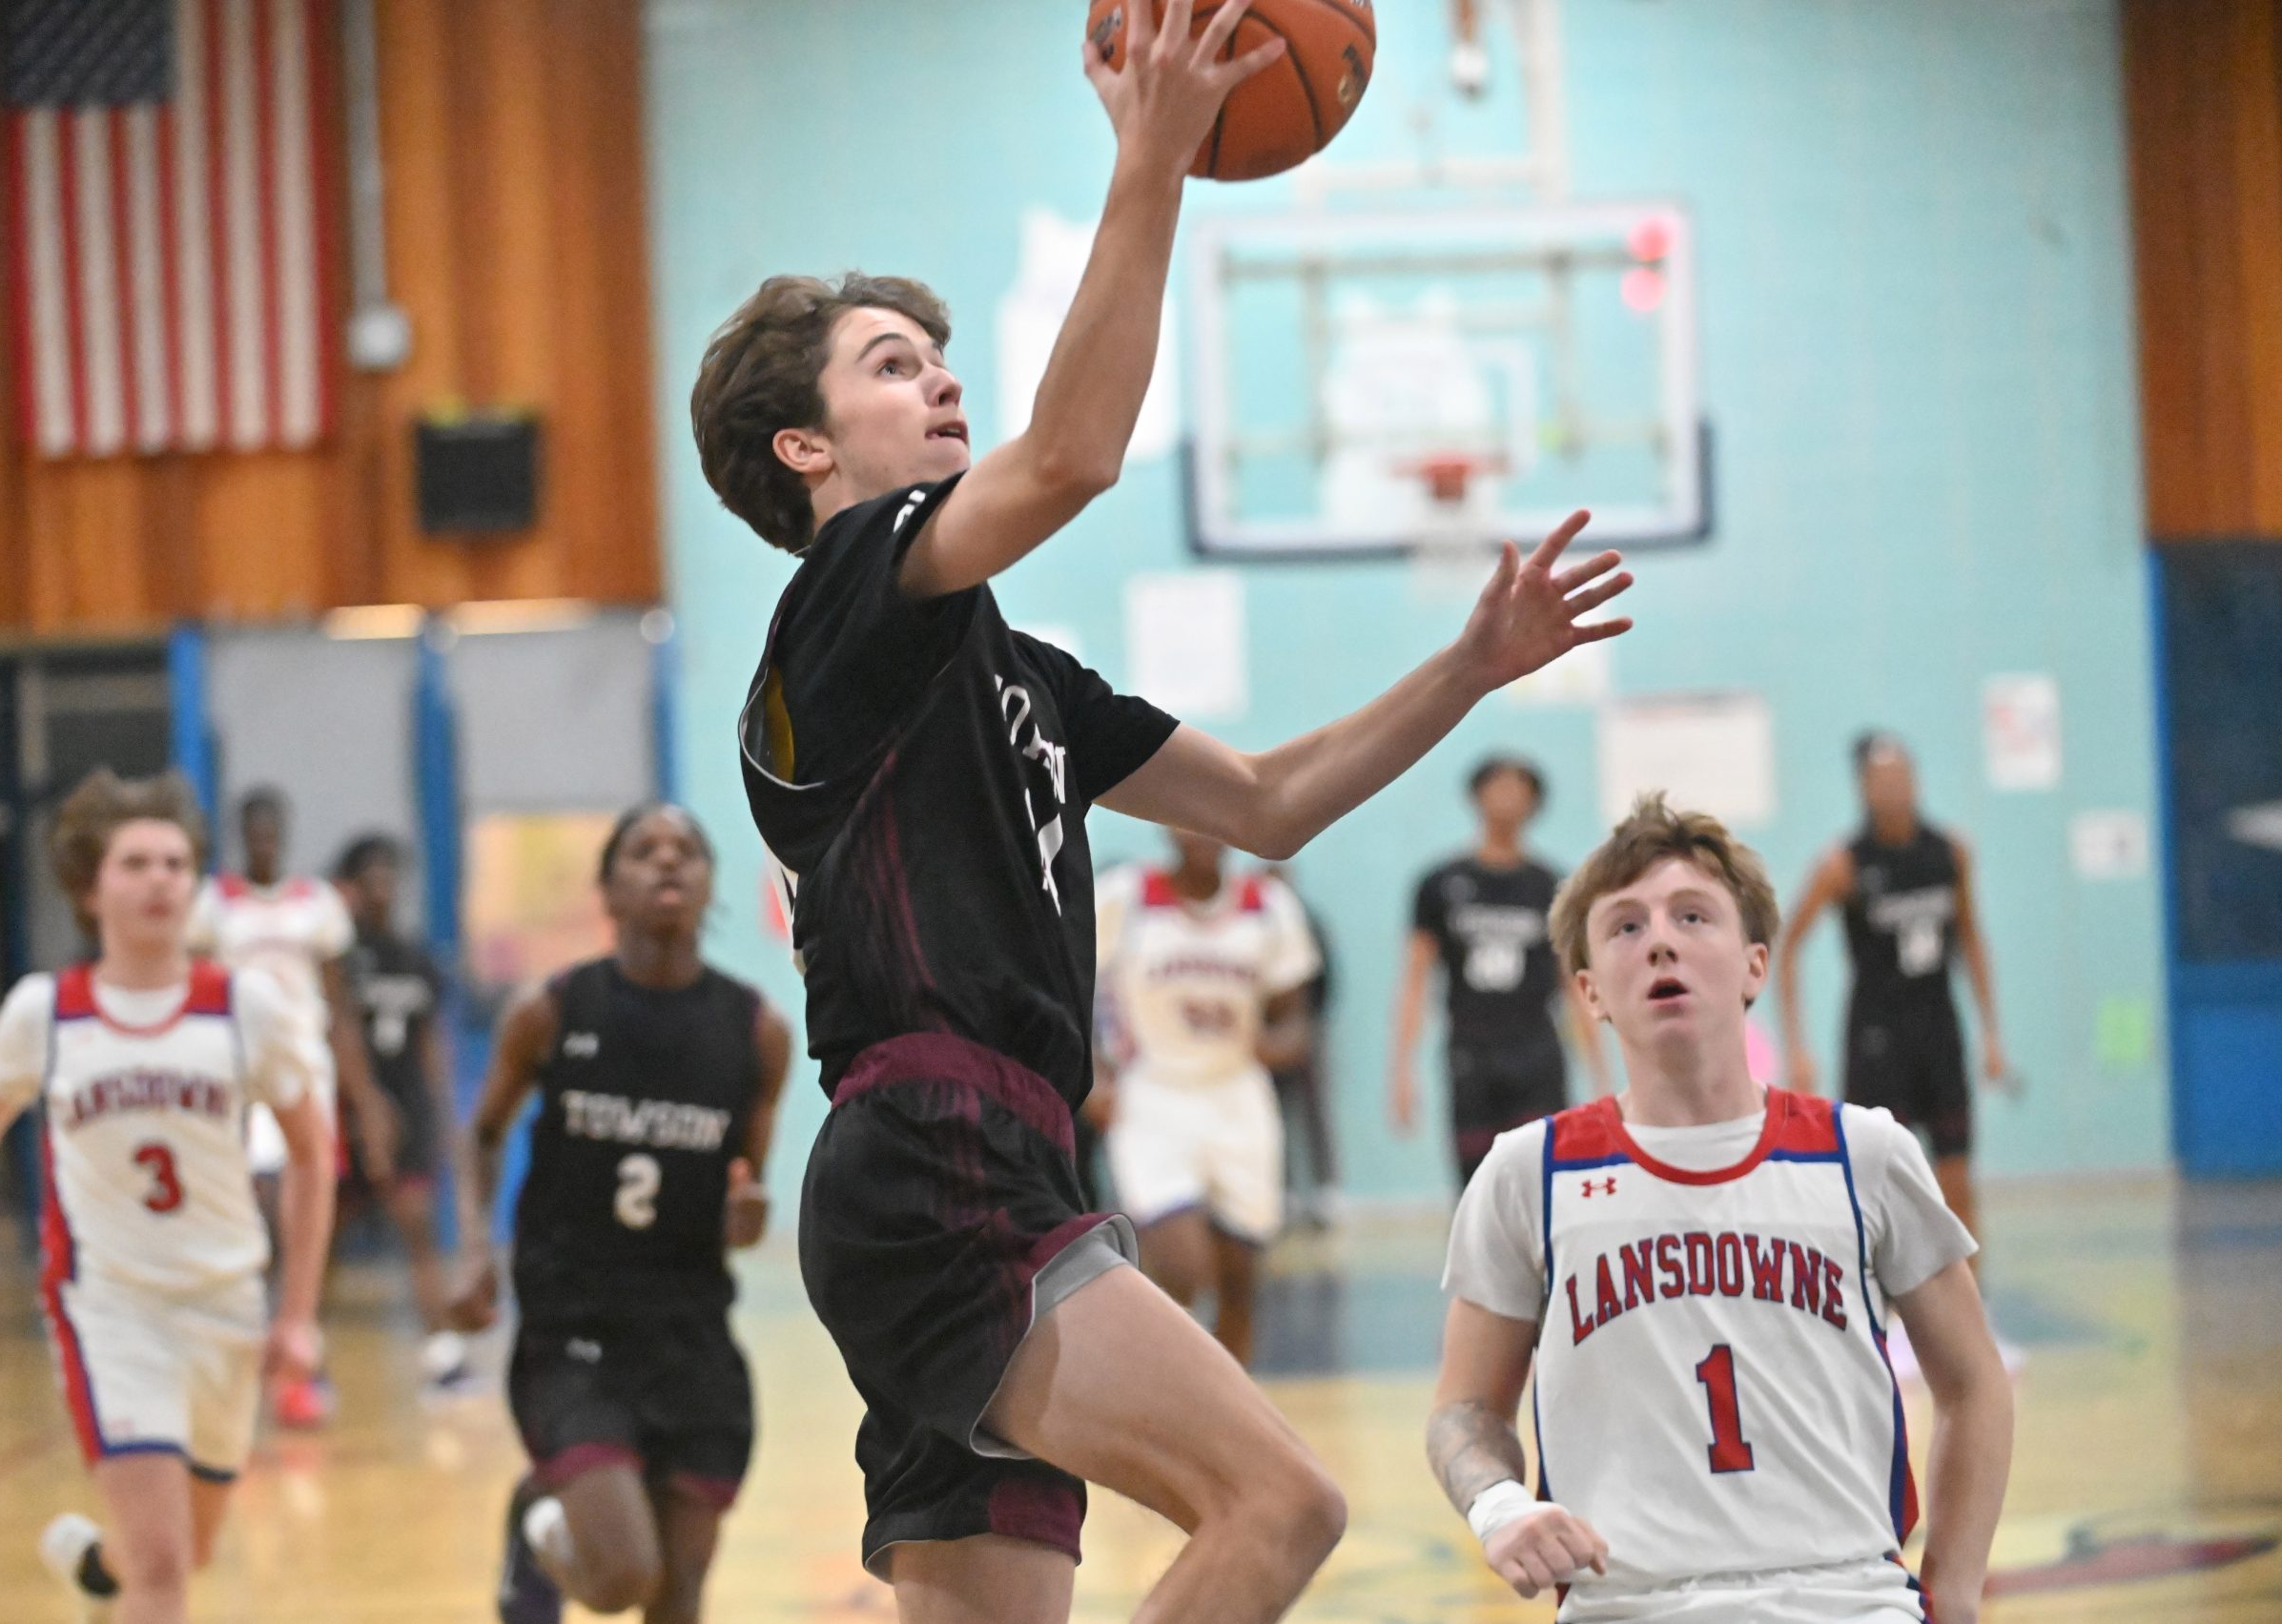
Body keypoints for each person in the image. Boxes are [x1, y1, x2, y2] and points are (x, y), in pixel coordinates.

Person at [694, 5, 1633, 1616]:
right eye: (892, 365)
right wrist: (1156, 159)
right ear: (804, 446)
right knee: (1279, 1502)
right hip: (943, 1152)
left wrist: (1470, 665)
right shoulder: (848, 595)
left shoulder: (1007, 666)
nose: (942, 381)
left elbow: (1271, 800)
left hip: (989, 1159)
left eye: (935, 356)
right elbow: (1073, 455)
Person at [1427, 794, 2012, 1623]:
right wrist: (1499, 1506)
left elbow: (1973, 1381)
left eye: (1693, 915)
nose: (1659, 938)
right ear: (1589, 991)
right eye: (1625, 926)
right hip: (1628, 1606)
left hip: (1848, 1596)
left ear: (1754, 964)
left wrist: (1951, 1589)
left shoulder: (1863, 1153)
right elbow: (1465, 1408)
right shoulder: (1530, 1172)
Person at [0, 771, 333, 1624]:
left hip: (226, 1300)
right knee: (164, 1563)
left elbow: (309, 1150)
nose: (160, 880)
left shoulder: (242, 1008)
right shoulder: (48, 1011)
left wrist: (297, 1311)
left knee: (188, 1545)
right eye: (136, 862)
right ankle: (125, 1571)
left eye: (177, 863)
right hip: (108, 1306)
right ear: (89, 886)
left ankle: (93, 1569)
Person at [452, 804, 791, 1624]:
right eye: (643, 851)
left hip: (690, 1327)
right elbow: (485, 1133)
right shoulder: (553, 1009)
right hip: (575, 1319)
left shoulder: (757, 1032)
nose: (668, 863)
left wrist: (744, 1216)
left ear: (710, 885)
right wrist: (475, 1251)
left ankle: (555, 1514)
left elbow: (740, 1193)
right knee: (620, 1577)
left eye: (687, 851)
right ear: (608, 887)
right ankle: (538, 1527)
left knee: (678, 1597)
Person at [190, 786, 381, 1427]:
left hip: (303, 1075)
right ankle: (254, 1358)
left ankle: (302, 1352)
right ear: (242, 834)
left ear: (287, 832)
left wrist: (367, 1096)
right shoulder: (212, 905)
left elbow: (341, 1009)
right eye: (254, 829)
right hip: (232, 1077)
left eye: (274, 828)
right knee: (255, 1218)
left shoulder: (317, 905)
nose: (265, 839)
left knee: (305, 1217)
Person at [1775, 733, 2009, 1248]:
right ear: (1862, 790)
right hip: (1876, 1038)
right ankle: (1873, 1307)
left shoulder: (1950, 852)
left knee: (1957, 1179)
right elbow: (1787, 948)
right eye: (1881, 781)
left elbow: (1971, 937)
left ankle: (1971, 1304)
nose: (1893, 790)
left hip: (1939, 1029)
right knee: (1873, 1184)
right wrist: (1797, 1047)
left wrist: (1992, 1035)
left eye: (1901, 778)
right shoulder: (1843, 864)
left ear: (1917, 781)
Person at [1094, 832, 1321, 1364]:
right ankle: (1165, 1391)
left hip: (1237, 1094)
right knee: (1180, 1265)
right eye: (1188, 821)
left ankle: (1232, 1406)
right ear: (1168, 828)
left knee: (1240, 1276)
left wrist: (1280, 1043)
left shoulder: (1269, 905)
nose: (1201, 832)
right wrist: (1093, 1073)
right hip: (1153, 1093)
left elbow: (1295, 1017)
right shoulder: (1125, 896)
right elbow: (1068, 982)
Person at [1390, 754, 1609, 1188]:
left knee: (1543, 1176)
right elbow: (1415, 980)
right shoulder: (1439, 883)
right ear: (1475, 796)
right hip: (1471, 1052)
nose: (1507, 798)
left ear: (1534, 802)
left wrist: (1601, 1075)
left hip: (1537, 1051)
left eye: (1518, 788)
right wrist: (1402, 1069)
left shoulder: (1551, 886)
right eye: (1497, 786)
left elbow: (1575, 986)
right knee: (1477, 1182)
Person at [331, 833, 467, 1389]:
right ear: (353, 888)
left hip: (406, 1112)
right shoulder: (337, 962)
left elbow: (433, 1045)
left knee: (419, 1230)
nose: (382, 889)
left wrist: (443, 1116)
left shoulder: (417, 960)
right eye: (371, 879)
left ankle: (443, 1355)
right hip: (345, 1115)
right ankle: (298, 1358)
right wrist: (364, 1110)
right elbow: (335, 1035)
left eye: (390, 877)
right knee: (319, 1242)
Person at [1260, 860, 1342, 1229]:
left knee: (1314, 1112)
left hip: (1306, 1032)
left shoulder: (1309, 921)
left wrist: (1312, 1023)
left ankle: (1326, 1191)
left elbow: (1327, 977)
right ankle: (1284, 1191)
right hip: (1265, 1036)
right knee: (1273, 1113)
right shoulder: (1255, 925)